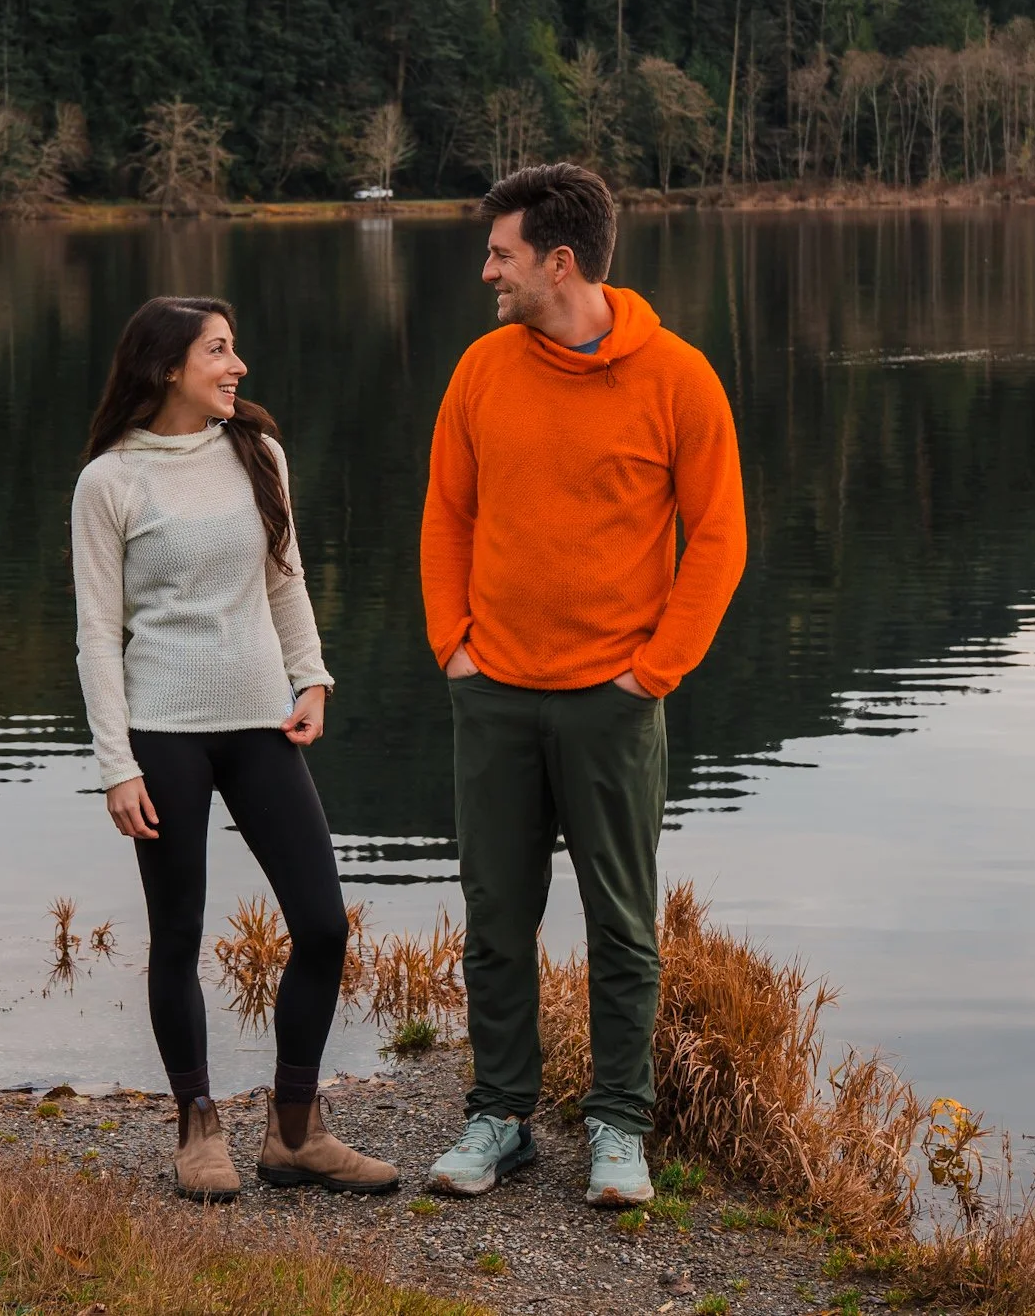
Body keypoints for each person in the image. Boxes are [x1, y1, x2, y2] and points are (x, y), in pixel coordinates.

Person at [420, 165, 747, 1206]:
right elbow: (445, 515)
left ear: (558, 262)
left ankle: (617, 1128)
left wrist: (652, 670)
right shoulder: (480, 370)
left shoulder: (679, 378)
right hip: (496, 692)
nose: (487, 273)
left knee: (619, 920)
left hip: (613, 700)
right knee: (493, 912)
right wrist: (451, 648)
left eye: (501, 255)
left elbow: (720, 541)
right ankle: (499, 1117)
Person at [71, 295, 398, 1202]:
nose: (238, 365)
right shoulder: (111, 482)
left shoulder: (257, 452)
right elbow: (98, 636)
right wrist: (117, 765)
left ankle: (295, 1129)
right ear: (168, 366)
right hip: (163, 732)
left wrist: (315, 675)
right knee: (178, 934)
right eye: (219, 351)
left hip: (260, 720)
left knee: (324, 925)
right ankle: (197, 1124)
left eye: (235, 348)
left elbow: (284, 578)